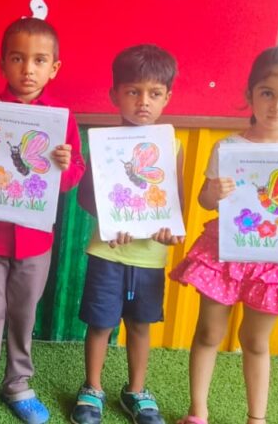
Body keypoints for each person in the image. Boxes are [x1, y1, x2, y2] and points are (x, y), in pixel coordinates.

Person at [172, 46, 278, 424]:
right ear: (250, 95)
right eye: (267, 93)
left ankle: (256, 418)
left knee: (256, 341)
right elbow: (205, 200)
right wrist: (216, 193)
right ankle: (198, 412)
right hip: (225, 252)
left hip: (277, 257)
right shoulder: (228, 148)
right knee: (209, 332)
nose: (277, 105)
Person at [0, 17, 85, 424]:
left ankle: (19, 383)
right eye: (18, 59)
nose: (28, 69)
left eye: (40, 60)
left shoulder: (61, 119)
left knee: (23, 316)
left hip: (36, 240)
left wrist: (65, 165)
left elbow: (71, 179)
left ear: (54, 68)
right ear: (2, 64)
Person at [71, 45, 185, 424]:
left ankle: (136, 390)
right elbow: (87, 197)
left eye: (154, 93)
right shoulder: (102, 143)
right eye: (133, 91)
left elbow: (174, 202)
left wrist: (172, 233)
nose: (143, 102)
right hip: (107, 252)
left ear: (167, 98)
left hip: (149, 257)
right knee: (101, 323)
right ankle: (93, 388)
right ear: (114, 95)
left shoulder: (172, 145)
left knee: (140, 323)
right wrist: (106, 222)